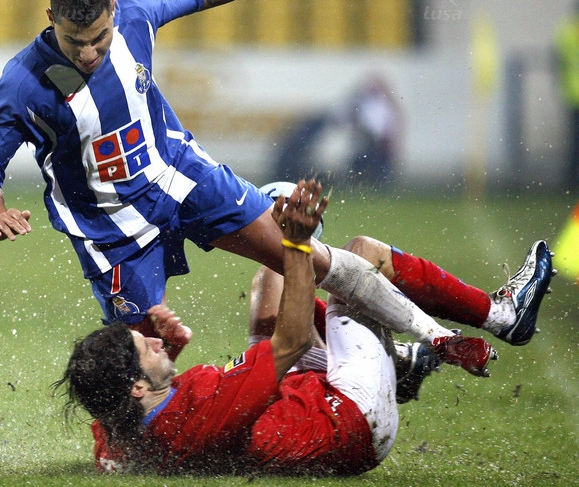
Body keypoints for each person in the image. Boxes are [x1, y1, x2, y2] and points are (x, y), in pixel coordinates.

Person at [0, 0, 553, 356]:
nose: (89, 53)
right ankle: (135, 441)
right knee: (146, 360)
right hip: (111, 230)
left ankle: (494, 317)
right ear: (51, 21)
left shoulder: (137, 15)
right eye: (74, 42)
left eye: (98, 38)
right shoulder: (22, 83)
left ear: (114, 11)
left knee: (306, 259)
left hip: (183, 177)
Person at [56, 180, 502, 476]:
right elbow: (293, 340)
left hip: (299, 397)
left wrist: (166, 355)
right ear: (136, 387)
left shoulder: (117, 427)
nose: (155, 339)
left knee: (271, 274)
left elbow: (116, 434)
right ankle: (488, 319)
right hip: (351, 420)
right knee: (359, 255)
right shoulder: (205, 412)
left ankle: (402, 363)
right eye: (147, 347)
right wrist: (297, 243)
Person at [554, 0, 579, 191]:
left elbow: (557, 61)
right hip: (573, 95)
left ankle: (569, 182)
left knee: (574, 142)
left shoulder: (566, 30)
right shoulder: (567, 31)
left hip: (572, 94)